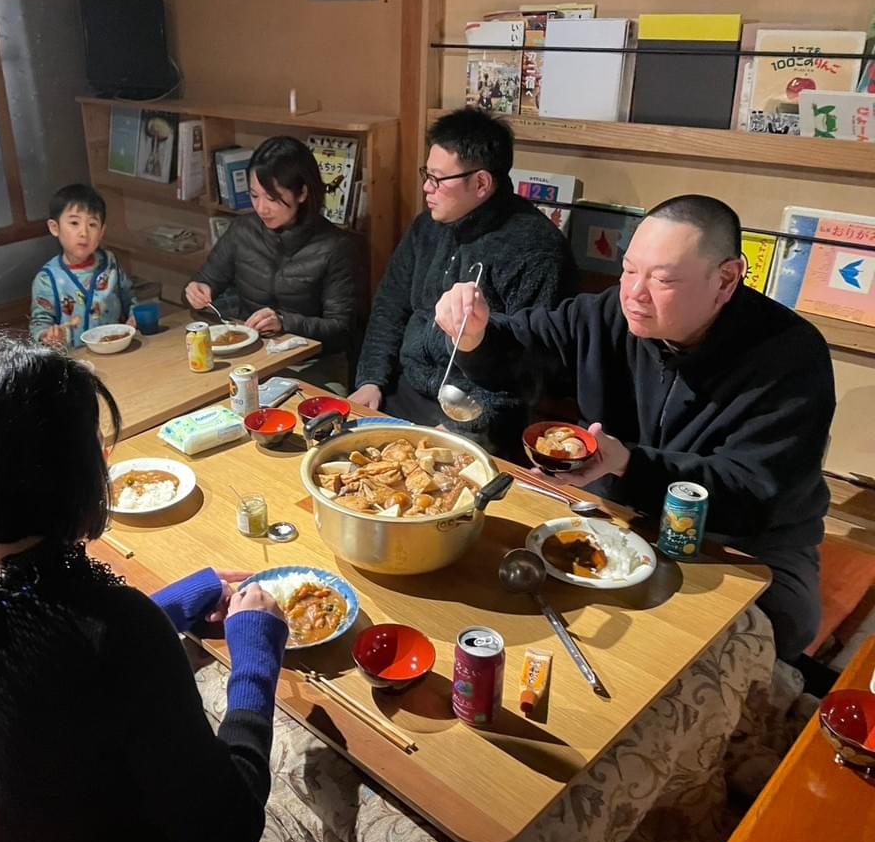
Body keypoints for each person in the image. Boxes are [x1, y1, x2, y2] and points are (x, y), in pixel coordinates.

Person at [0, 337, 289, 842]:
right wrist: (255, 655)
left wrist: (169, 605)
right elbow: (229, 829)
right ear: (82, 476)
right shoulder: (117, 630)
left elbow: (46, 656)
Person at [434, 195, 835, 661]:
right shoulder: (612, 315)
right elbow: (528, 348)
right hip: (618, 508)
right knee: (509, 581)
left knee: (760, 629)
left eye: (662, 280)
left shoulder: (789, 357)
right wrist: (477, 335)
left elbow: (753, 492)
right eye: (628, 270)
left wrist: (629, 464)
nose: (635, 293)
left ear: (726, 279)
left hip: (742, 540)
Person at [349, 108, 575, 456]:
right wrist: (371, 380)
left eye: (438, 179)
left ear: (481, 183)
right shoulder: (426, 227)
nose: (426, 187)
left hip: (481, 415)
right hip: (406, 391)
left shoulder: (537, 251)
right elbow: (390, 307)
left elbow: (531, 372)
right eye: (427, 174)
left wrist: (460, 427)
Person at [184, 135, 358, 386]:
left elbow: (341, 329)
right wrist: (196, 291)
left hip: (312, 364)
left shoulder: (335, 245)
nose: (261, 208)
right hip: (251, 358)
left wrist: (285, 322)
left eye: (273, 198)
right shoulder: (242, 231)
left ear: (302, 193)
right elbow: (204, 282)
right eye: (254, 195)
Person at [29, 183, 138, 348]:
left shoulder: (110, 263)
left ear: (101, 232)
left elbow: (130, 300)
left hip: (115, 350)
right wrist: (47, 335)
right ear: (55, 228)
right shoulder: (47, 279)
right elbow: (39, 323)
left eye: (92, 224)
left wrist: (134, 317)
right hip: (73, 358)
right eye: (74, 223)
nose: (84, 233)